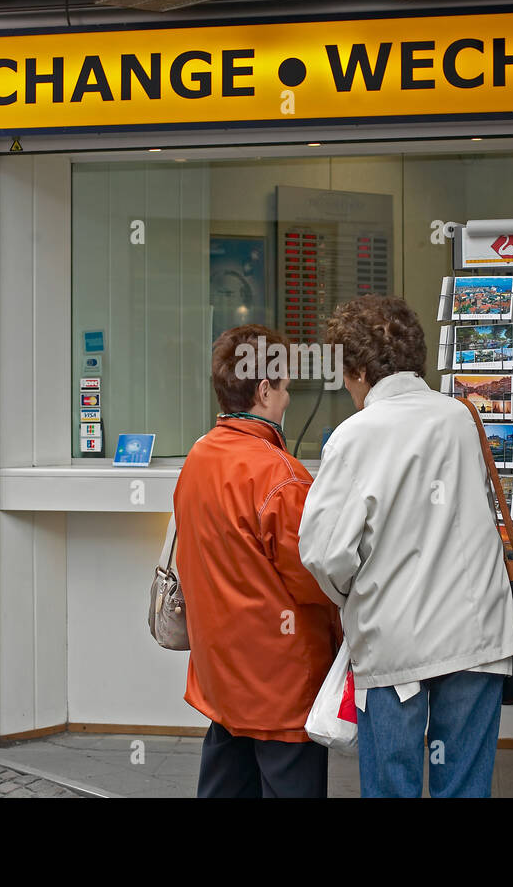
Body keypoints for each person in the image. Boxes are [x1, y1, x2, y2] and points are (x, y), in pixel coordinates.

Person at [299, 295, 513, 798]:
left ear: (358, 370)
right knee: (464, 787)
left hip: (394, 644)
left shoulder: (354, 436)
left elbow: (323, 552)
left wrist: (353, 594)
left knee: (391, 788)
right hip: (477, 635)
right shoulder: (461, 417)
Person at [172, 324, 339, 798]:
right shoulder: (280, 475)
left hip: (221, 678)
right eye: (285, 386)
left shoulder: (199, 457)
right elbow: (314, 581)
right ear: (264, 389)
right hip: (279, 688)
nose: (288, 399)